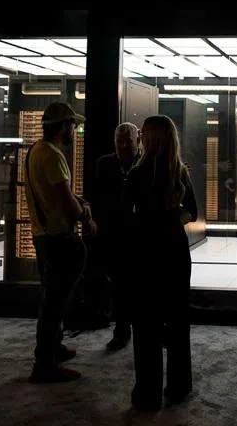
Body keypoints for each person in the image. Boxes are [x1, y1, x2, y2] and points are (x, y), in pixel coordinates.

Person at [122, 115, 197, 410]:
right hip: (175, 251)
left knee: (146, 325)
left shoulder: (137, 174)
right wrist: (169, 221)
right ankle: (179, 386)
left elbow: (124, 216)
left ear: (147, 139)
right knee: (178, 320)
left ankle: (147, 394)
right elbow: (192, 211)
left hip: (145, 253)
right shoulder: (179, 172)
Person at [26, 102, 96, 383]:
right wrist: (86, 216)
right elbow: (65, 199)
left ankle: (53, 349)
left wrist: (79, 203)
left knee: (51, 298)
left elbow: (58, 193)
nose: (75, 131)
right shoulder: (54, 155)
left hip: (42, 236)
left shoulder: (35, 151)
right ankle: (44, 364)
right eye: (73, 126)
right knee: (54, 304)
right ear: (63, 127)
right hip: (59, 239)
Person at [93, 122, 140, 351]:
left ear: (137, 141)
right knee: (119, 285)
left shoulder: (145, 163)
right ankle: (121, 329)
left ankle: (141, 328)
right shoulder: (105, 164)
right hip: (116, 233)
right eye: (119, 142)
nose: (123, 146)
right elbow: (99, 198)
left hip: (140, 234)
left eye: (128, 142)